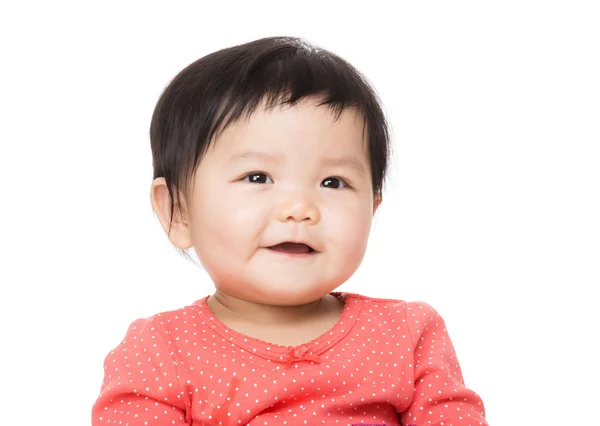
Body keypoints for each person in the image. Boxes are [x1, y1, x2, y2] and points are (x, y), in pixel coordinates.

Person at [91, 36, 488, 425]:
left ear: (373, 209)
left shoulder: (407, 334)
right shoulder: (161, 350)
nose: (300, 208)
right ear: (177, 211)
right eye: (258, 176)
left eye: (333, 182)